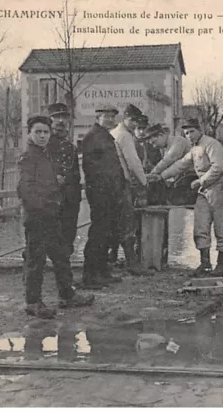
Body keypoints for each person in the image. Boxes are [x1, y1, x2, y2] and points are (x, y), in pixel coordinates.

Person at [17, 116, 94, 319]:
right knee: (36, 260)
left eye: (45, 132)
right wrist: (42, 208)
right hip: (37, 217)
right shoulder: (28, 157)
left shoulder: (45, 155)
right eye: (38, 132)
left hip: (51, 215)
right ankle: (33, 302)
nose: (42, 136)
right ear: (30, 133)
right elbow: (25, 189)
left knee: (60, 256)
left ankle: (67, 295)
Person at [154, 118, 223, 277]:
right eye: (186, 133)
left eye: (192, 132)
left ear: (200, 130)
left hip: (221, 188)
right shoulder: (194, 149)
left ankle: (222, 266)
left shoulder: (212, 144)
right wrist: (160, 176)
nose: (189, 136)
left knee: (222, 227)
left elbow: (218, 167)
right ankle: (205, 264)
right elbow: (180, 165)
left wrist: (200, 181)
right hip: (204, 190)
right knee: (200, 225)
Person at [81, 104, 126, 289]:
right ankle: (90, 275)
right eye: (106, 116)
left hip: (110, 193)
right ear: (98, 117)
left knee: (107, 233)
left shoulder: (105, 136)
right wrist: (103, 190)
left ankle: (102, 271)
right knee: (98, 234)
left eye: (112, 117)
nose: (110, 120)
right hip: (101, 193)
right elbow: (92, 169)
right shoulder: (93, 137)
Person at [110, 104, 148, 275]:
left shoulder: (114, 132)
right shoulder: (124, 136)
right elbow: (133, 162)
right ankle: (132, 263)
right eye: (132, 120)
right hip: (122, 183)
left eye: (136, 121)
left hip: (112, 183)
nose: (134, 124)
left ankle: (112, 258)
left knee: (115, 221)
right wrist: (144, 182)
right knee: (128, 223)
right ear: (124, 118)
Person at [46, 103, 82, 256]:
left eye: (64, 117)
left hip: (70, 199)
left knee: (68, 235)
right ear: (50, 120)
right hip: (52, 198)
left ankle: (65, 272)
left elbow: (75, 173)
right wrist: (52, 176)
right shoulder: (44, 144)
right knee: (51, 235)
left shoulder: (71, 147)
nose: (61, 121)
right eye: (57, 117)